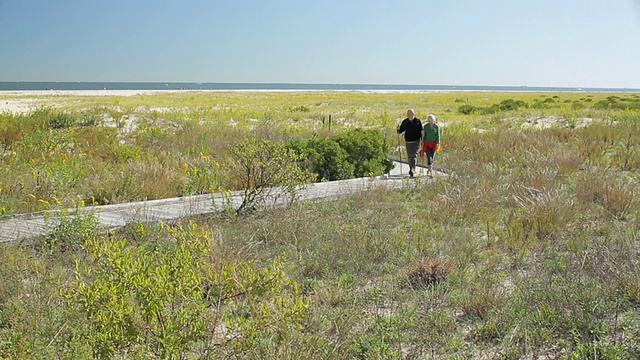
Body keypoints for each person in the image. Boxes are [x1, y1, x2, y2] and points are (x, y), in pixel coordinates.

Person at [397, 109, 423, 178]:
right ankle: (411, 168)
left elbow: (421, 130)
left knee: (414, 155)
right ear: (407, 114)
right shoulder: (405, 122)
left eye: (412, 113)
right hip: (408, 141)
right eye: (409, 114)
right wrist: (398, 130)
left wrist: (422, 139)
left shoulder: (417, 121)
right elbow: (401, 131)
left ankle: (413, 169)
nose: (411, 115)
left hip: (416, 141)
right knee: (410, 156)